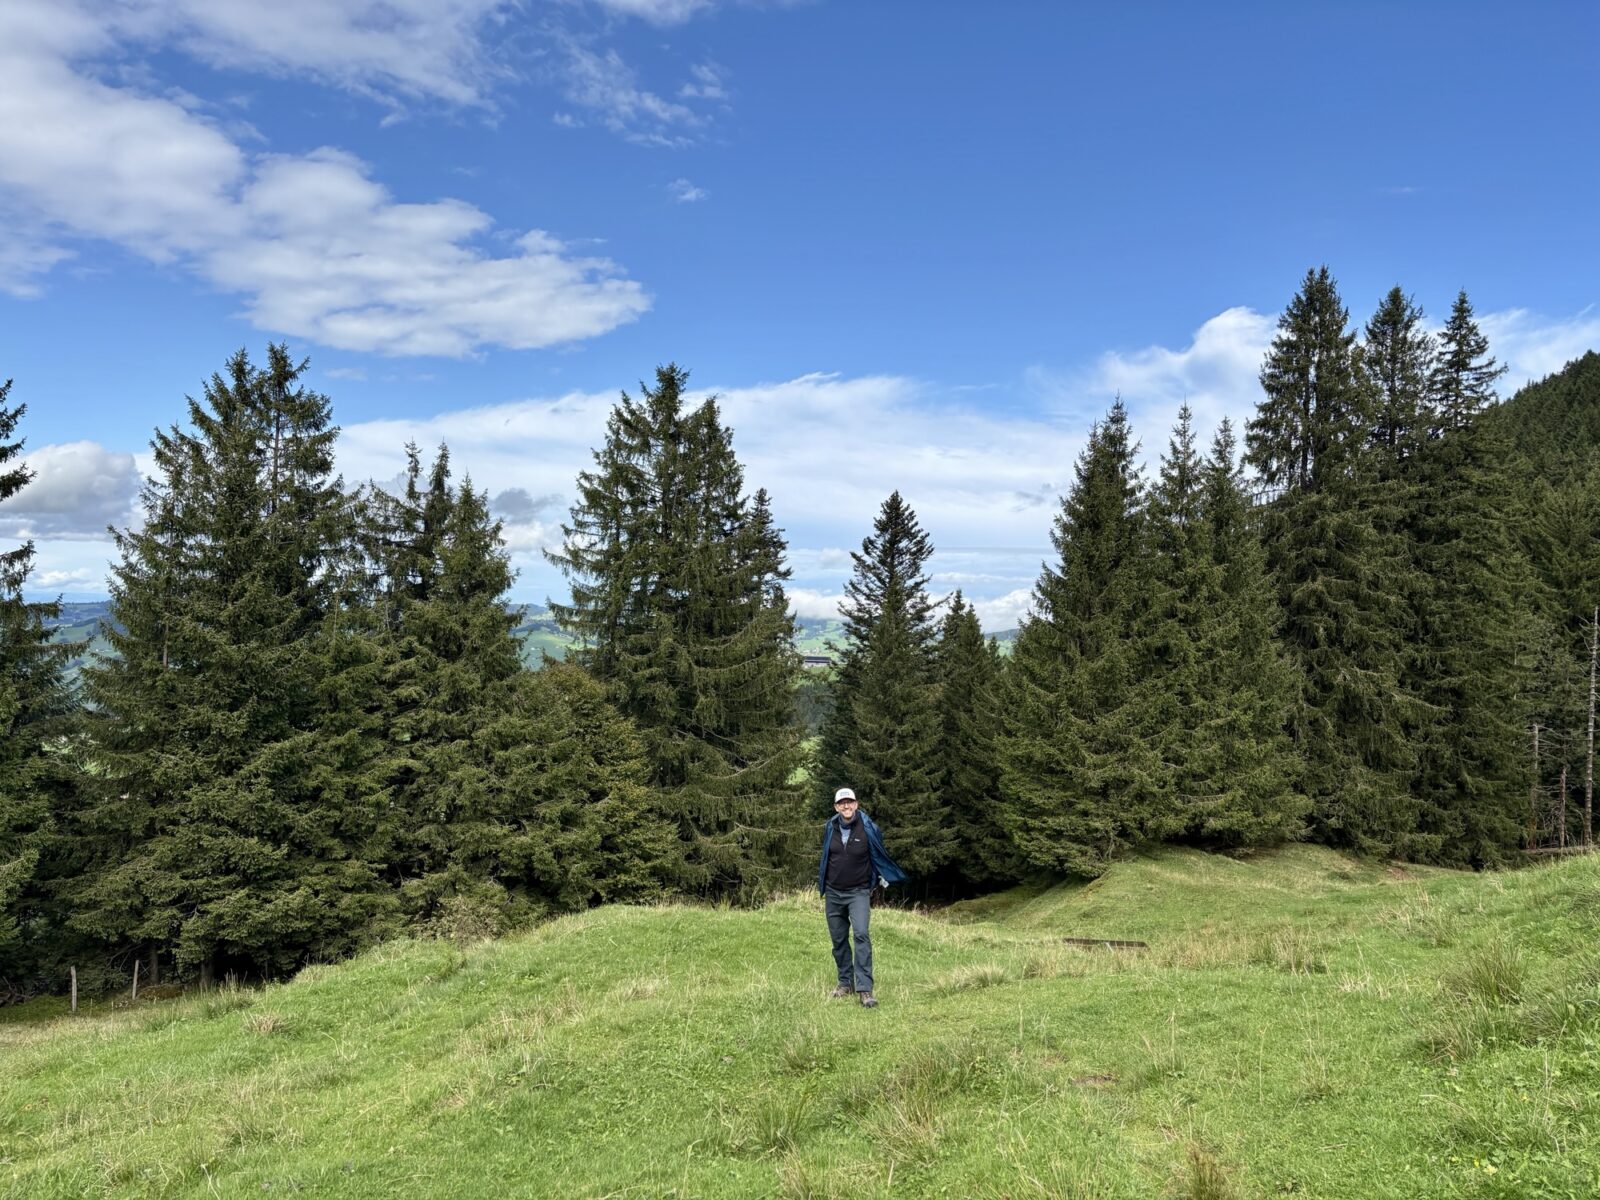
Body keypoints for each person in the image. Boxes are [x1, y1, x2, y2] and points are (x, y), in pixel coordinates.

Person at [817, 786, 906, 1008]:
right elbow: (827, 856)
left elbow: (878, 854)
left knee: (861, 935)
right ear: (836, 807)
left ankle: (865, 989)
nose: (846, 806)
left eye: (850, 802)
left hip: (858, 892)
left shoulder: (868, 828)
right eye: (841, 803)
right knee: (838, 940)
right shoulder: (830, 827)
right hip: (834, 893)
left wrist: (880, 878)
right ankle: (845, 983)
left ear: (856, 804)